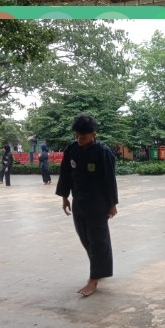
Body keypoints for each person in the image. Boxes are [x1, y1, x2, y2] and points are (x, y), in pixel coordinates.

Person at [55, 113, 117, 296]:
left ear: (94, 134)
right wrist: (64, 196)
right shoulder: (72, 148)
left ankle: (93, 279)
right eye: (77, 136)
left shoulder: (103, 152)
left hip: (98, 204)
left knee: (98, 241)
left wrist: (112, 204)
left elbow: (109, 180)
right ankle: (101, 268)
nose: (79, 139)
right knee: (85, 238)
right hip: (79, 202)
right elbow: (66, 172)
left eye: (83, 136)